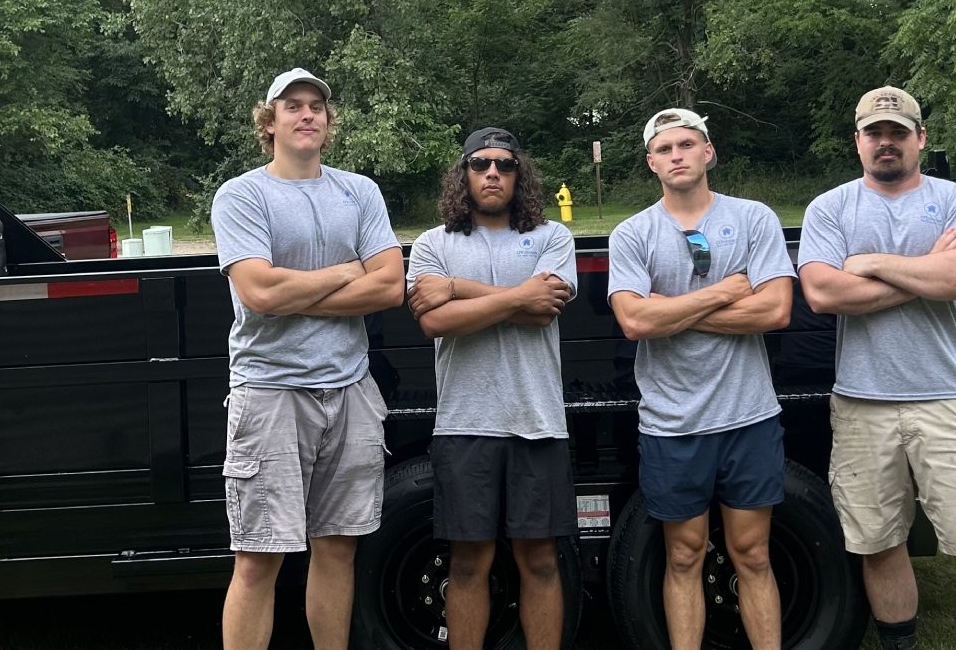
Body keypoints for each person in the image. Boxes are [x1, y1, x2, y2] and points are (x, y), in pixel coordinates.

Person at [798, 86, 956, 650]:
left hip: (948, 399)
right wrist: (928, 271)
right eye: (875, 133)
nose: (885, 143)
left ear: (920, 138)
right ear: (858, 142)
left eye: (897, 132)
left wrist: (869, 265)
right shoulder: (830, 207)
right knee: (879, 545)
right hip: (862, 403)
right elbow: (821, 292)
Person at [212, 68, 404, 650]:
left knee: (338, 547)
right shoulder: (243, 194)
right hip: (271, 393)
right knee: (258, 558)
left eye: (316, 106)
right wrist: (349, 272)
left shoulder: (359, 191)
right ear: (268, 122)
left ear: (328, 122)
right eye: (292, 105)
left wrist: (299, 291)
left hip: (350, 391)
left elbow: (391, 286)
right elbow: (259, 294)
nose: (306, 114)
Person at [607, 108, 794, 650]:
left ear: (708, 152)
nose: (677, 155)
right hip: (673, 423)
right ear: (651, 163)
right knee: (683, 554)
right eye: (665, 149)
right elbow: (635, 321)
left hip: (749, 417)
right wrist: (727, 291)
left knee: (753, 554)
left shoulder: (754, 218)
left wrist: (675, 309)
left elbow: (776, 310)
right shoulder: (633, 233)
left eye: (687, 144)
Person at [406, 127, 577, 650]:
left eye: (504, 164)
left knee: (541, 560)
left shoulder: (552, 237)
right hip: (464, 425)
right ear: (464, 173)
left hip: (538, 422)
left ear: (519, 173)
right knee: (468, 562)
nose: (493, 174)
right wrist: (517, 295)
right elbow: (434, 323)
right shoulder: (434, 243)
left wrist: (458, 289)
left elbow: (543, 310)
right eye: (480, 165)